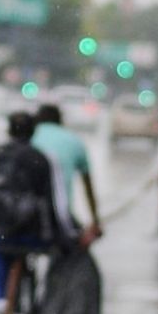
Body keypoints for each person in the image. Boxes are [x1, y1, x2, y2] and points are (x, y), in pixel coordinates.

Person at [0, 111, 70, 314]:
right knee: (51, 258)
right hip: (33, 235)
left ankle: (0, 304)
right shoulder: (42, 158)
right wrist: (64, 234)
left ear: (8, 130)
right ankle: (38, 305)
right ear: (33, 132)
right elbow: (55, 201)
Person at [33, 104, 102, 245]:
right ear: (60, 121)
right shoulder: (74, 141)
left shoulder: (29, 138)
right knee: (76, 248)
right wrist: (95, 221)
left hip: (20, 215)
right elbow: (88, 187)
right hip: (59, 216)